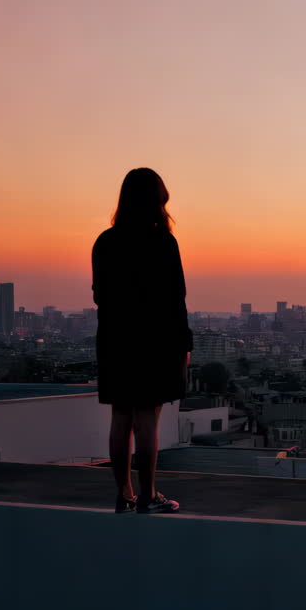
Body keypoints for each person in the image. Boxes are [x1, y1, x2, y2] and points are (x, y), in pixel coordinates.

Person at [92, 168, 192, 514]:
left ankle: (124, 494)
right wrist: (185, 343)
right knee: (147, 418)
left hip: (116, 340)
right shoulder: (162, 242)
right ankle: (148, 495)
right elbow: (176, 298)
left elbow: (99, 296)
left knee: (121, 416)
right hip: (155, 340)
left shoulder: (105, 242)